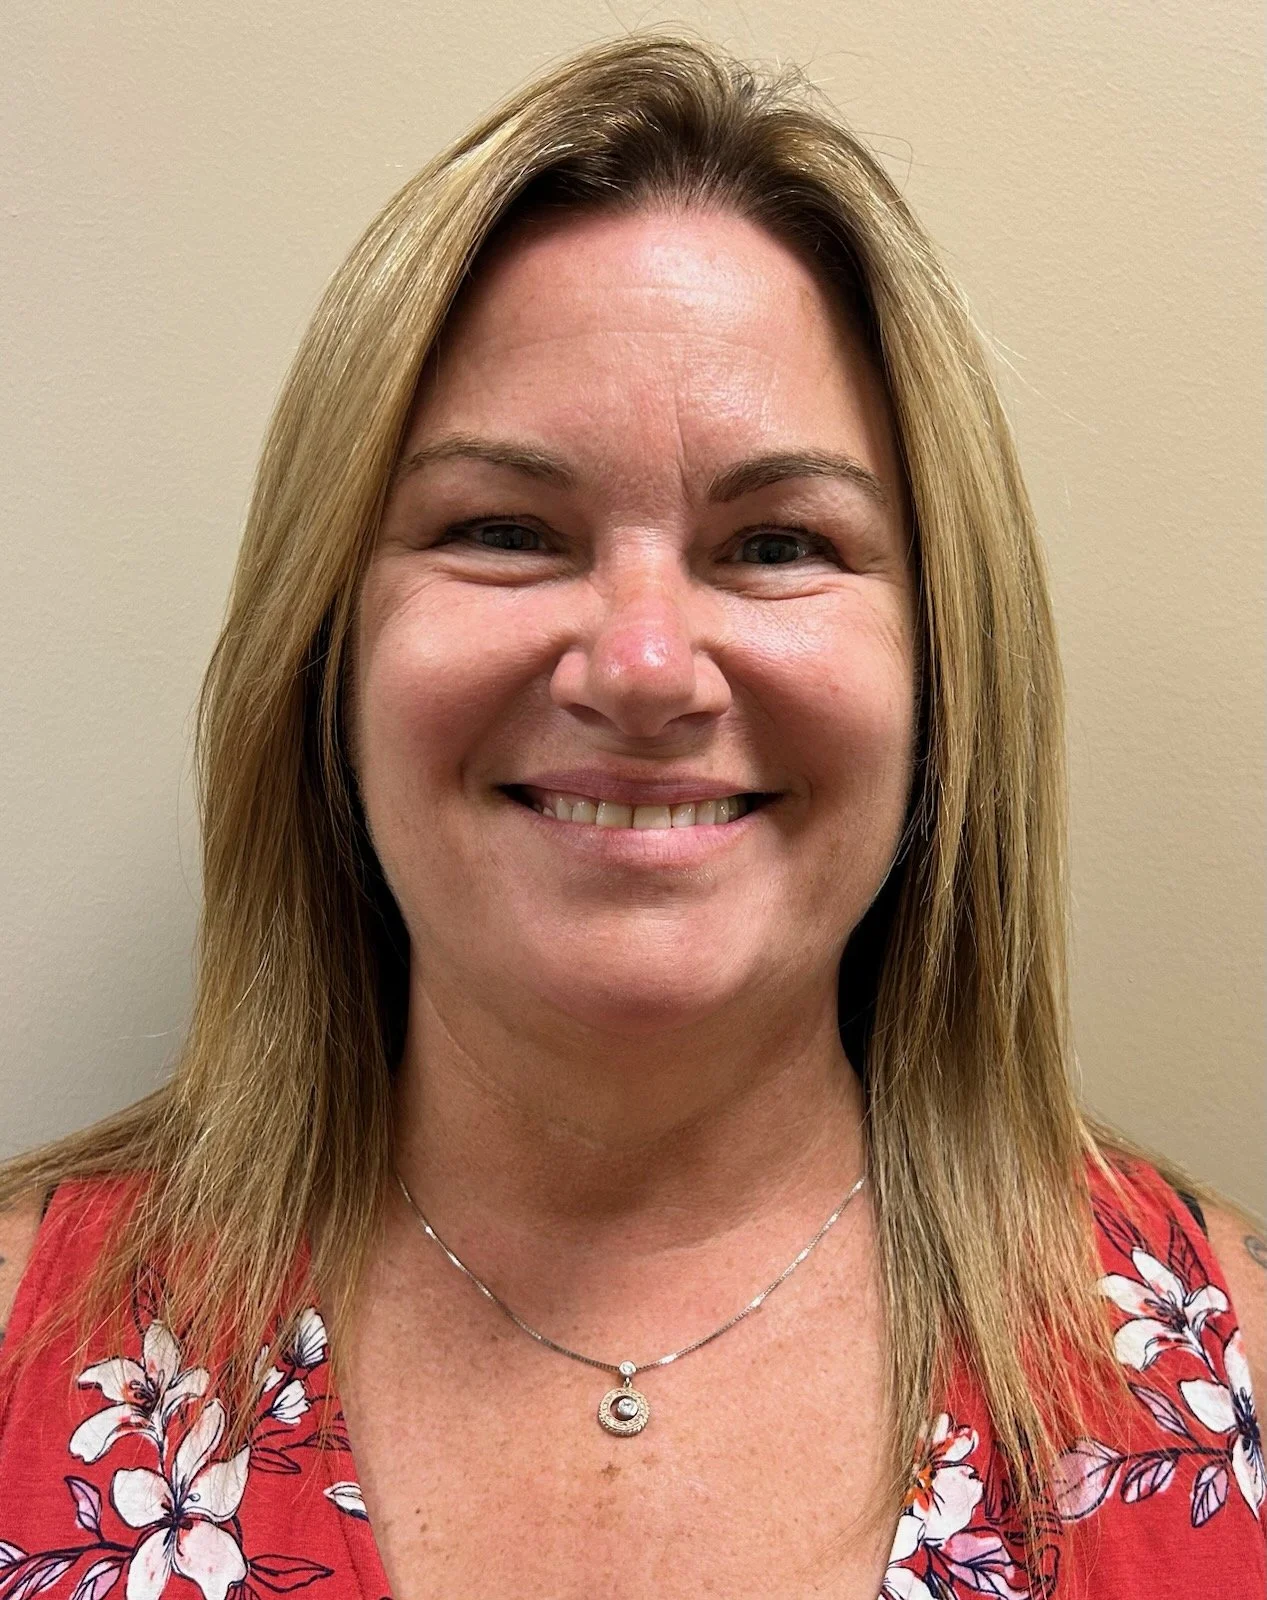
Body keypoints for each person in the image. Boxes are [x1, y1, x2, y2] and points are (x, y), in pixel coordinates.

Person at [0, 33, 1262, 1600]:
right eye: (506, 530)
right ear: (324, 653)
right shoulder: (14, 1346)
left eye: (781, 543)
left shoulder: (1233, 1389)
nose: (647, 667)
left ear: (945, 668)